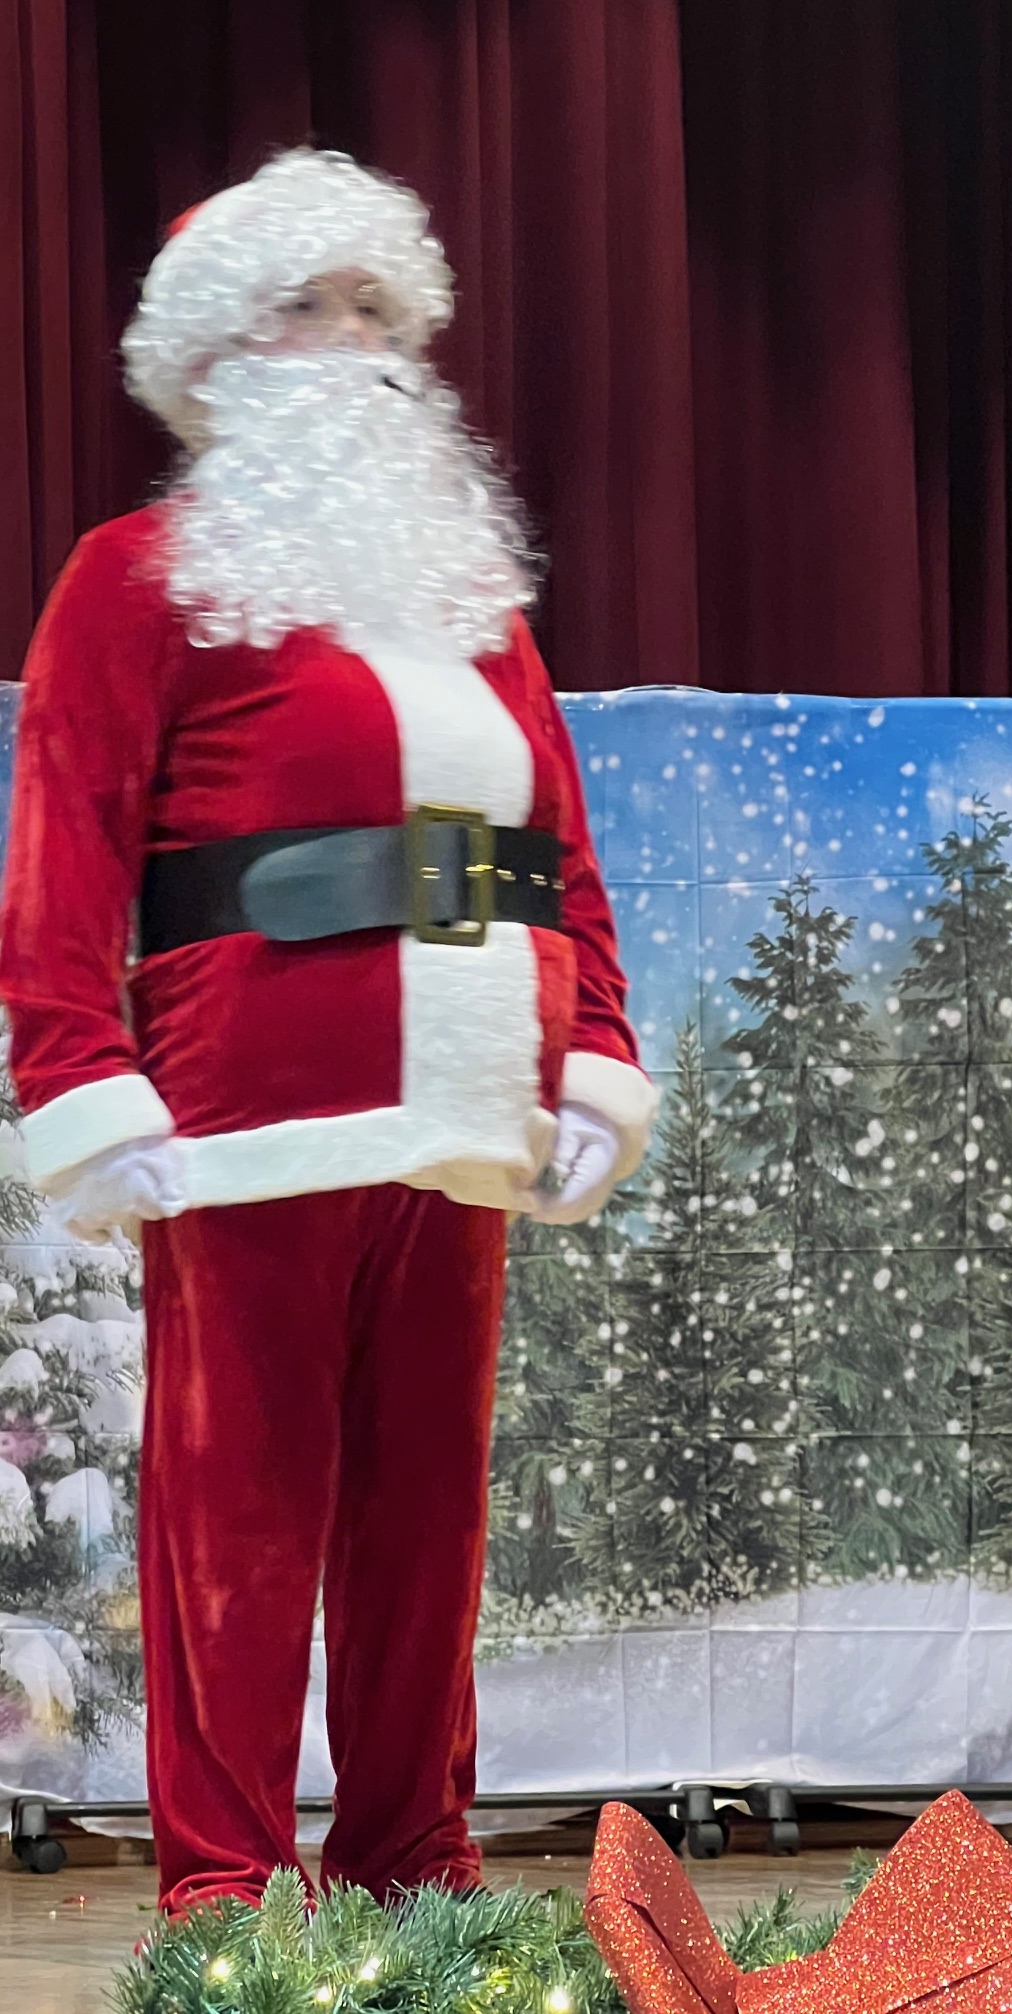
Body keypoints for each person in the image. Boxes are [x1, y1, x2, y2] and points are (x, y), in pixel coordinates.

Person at [0, 149, 657, 1912]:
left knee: (425, 1521)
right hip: (248, 1112)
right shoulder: (137, 578)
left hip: (466, 1103)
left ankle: (410, 1864)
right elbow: (63, 851)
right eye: (308, 307)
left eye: (376, 307)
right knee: (233, 1517)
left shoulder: (471, 604)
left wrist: (595, 1052)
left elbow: (560, 851)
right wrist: (79, 1078)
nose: (354, 341)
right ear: (217, 357)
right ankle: (221, 1886)